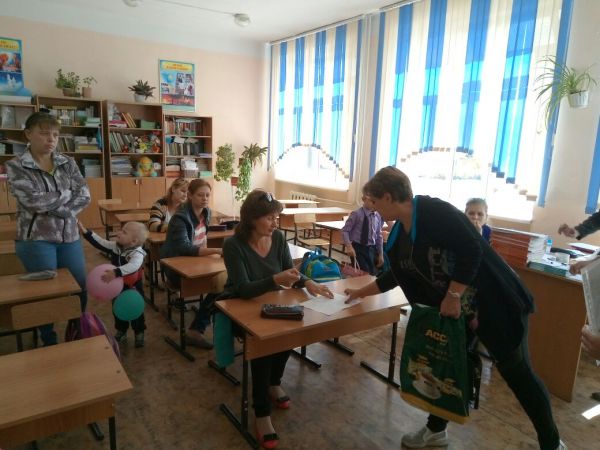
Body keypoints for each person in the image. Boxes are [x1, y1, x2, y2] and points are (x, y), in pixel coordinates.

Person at [345, 167, 565, 450]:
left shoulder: (435, 212)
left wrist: (453, 294)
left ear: (388, 197)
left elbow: (473, 248)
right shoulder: (399, 232)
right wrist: (361, 292)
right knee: (447, 365)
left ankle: (552, 443)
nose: (373, 208)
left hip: (496, 304)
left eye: (375, 201)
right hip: (458, 314)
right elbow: (397, 274)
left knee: (517, 373)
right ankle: (436, 431)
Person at [222, 189, 333, 449]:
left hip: (273, 304)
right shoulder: (233, 245)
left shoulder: (279, 238)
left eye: (276, 217)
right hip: (241, 307)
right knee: (263, 346)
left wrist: (308, 282)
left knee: (288, 333)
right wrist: (275, 279)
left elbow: (289, 272)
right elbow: (243, 289)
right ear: (252, 218)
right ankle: (261, 413)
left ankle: (273, 384)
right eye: (270, 218)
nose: (275, 223)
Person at [6, 112, 90, 346]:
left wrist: (59, 207)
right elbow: (32, 201)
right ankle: (48, 339)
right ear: (28, 134)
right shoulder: (15, 165)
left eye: (55, 134)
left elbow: (84, 195)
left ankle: (77, 329)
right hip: (36, 240)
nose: (51, 139)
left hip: (69, 237)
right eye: (44, 133)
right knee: (44, 293)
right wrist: (66, 194)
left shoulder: (67, 162)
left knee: (80, 287)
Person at [160, 178, 222, 349]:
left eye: (207, 195)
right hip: (176, 268)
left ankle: (198, 327)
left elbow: (202, 239)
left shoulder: (206, 212)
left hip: (196, 262)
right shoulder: (180, 218)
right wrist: (217, 251)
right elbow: (185, 248)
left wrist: (210, 261)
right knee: (219, 286)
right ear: (190, 195)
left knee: (223, 282)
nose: (205, 198)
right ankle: (196, 330)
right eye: (200, 195)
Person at [79, 220, 148, 347]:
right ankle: (121, 330)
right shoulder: (116, 246)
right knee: (118, 309)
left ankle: (139, 331)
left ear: (133, 241)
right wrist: (86, 233)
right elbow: (101, 243)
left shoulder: (137, 253)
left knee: (135, 310)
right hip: (117, 287)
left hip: (133, 288)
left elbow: (134, 266)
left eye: (124, 232)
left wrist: (116, 272)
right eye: (121, 230)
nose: (118, 233)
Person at [341, 195, 384, 275]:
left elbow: (378, 235)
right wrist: (349, 246)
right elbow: (345, 231)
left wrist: (381, 254)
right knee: (364, 273)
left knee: (372, 273)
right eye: (372, 201)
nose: (375, 204)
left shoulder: (377, 216)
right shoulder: (356, 214)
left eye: (377, 202)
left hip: (371, 249)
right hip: (357, 248)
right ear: (364, 199)